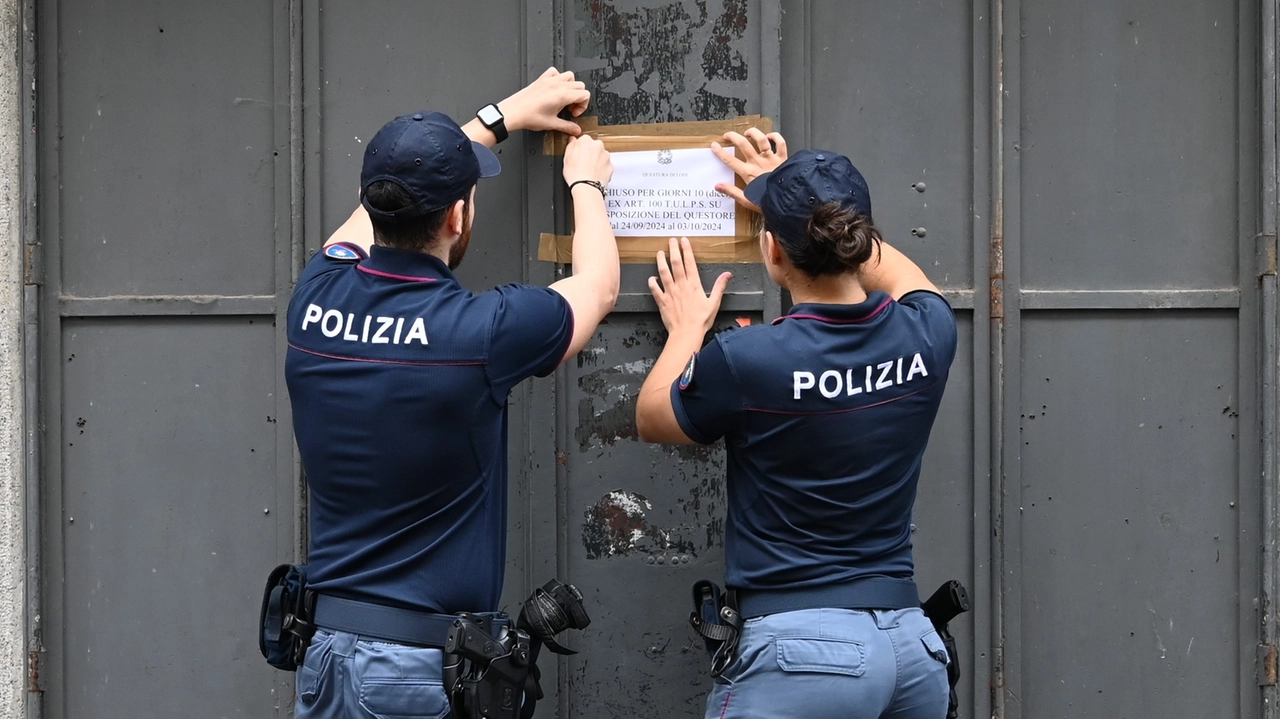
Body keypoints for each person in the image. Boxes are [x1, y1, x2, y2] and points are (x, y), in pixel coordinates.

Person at [284, 68, 618, 718]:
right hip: (414, 671)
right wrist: (587, 181)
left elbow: (363, 217)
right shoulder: (480, 332)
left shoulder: (315, 297)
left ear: (370, 198)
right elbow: (599, 286)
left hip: (326, 656)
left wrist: (501, 115)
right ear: (461, 212)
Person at [634, 128, 957, 719]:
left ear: (774, 253)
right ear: (861, 238)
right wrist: (793, 202)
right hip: (912, 650)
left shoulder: (751, 360)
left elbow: (654, 417)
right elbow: (899, 274)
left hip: (803, 651)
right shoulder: (929, 333)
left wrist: (685, 332)